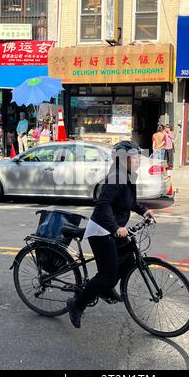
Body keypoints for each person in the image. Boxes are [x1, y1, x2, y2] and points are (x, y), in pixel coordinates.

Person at [67, 141, 156, 329]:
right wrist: (116, 227)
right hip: (101, 230)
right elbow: (103, 205)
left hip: (113, 229)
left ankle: (106, 289)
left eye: (138, 156)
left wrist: (144, 211)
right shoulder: (116, 178)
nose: (138, 159)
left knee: (127, 257)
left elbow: (129, 202)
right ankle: (77, 305)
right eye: (134, 157)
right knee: (106, 274)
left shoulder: (128, 176)